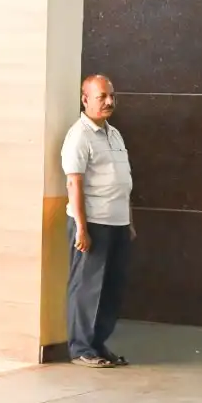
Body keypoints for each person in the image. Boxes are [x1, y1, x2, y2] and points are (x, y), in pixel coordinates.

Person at [62, 74, 135, 368]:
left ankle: (98, 344)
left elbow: (123, 181)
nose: (108, 101)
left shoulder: (114, 133)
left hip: (117, 223)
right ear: (85, 99)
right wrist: (81, 227)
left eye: (111, 96)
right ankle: (80, 348)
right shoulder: (79, 135)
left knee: (111, 288)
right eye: (101, 96)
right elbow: (74, 183)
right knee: (87, 287)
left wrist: (129, 220)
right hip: (93, 223)